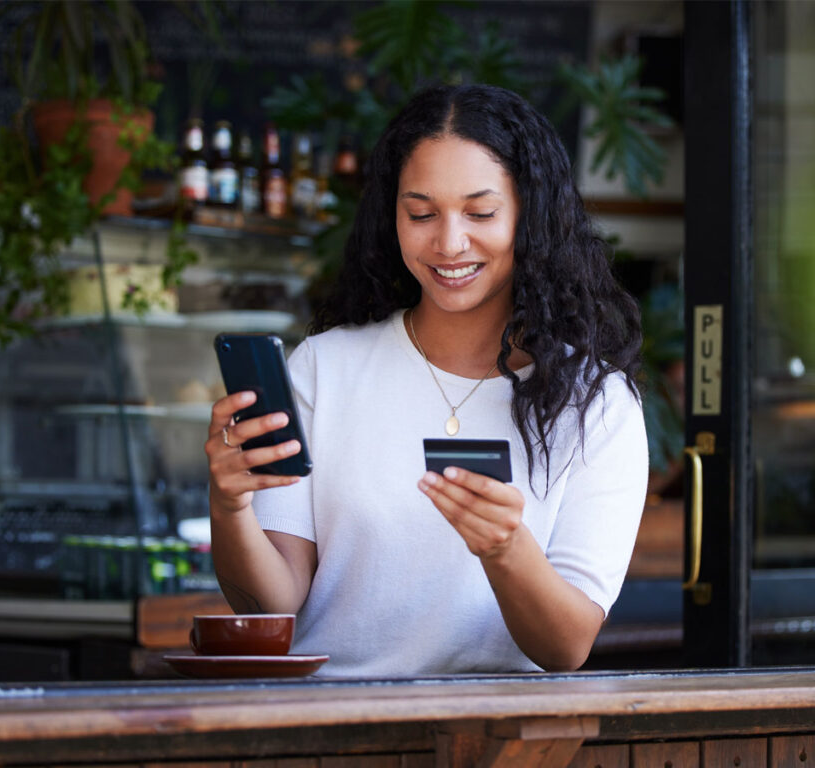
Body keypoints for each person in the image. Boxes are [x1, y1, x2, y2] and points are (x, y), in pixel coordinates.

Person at [205, 83, 648, 676]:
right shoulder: (324, 368)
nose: (448, 242)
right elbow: (272, 603)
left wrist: (505, 549)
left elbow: (565, 648)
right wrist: (230, 505)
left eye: (481, 212)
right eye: (421, 213)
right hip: (328, 729)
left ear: (531, 217)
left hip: (497, 741)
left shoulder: (596, 404)